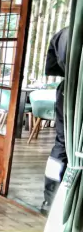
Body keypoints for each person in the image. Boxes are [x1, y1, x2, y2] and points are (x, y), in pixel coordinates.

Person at [42, 27, 69, 214]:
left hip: (67, 90)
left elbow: (52, 67)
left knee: (61, 145)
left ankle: (49, 200)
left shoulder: (63, 32)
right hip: (76, 90)